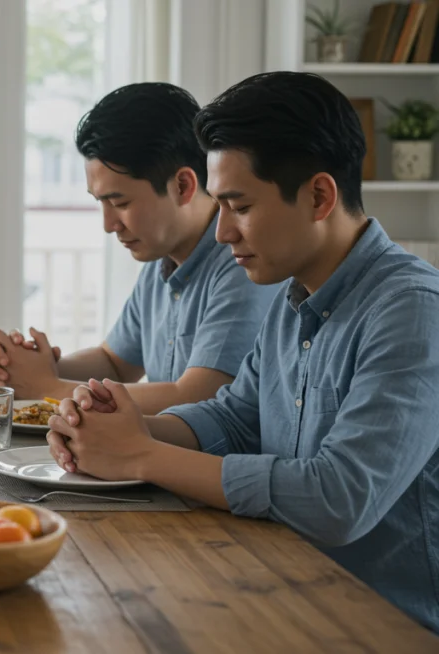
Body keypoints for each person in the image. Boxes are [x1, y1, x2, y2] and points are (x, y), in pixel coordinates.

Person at [46, 72, 439, 632]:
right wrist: (119, 424)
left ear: (319, 196)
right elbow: (233, 416)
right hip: (279, 587)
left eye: (239, 206)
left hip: (381, 627)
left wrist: (141, 456)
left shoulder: (414, 310)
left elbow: (340, 498)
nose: (224, 232)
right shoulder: (292, 293)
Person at [0, 83, 278, 414]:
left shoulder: (242, 263)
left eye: (119, 202)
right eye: (100, 203)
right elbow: (114, 362)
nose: (109, 224)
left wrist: (46, 387)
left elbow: (198, 397)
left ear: (183, 185)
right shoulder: (162, 259)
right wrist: (23, 368)